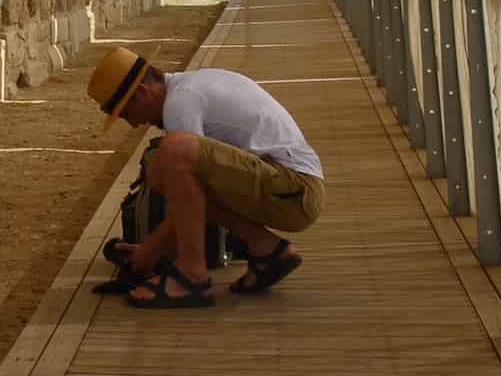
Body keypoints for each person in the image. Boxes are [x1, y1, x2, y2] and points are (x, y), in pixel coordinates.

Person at [84, 46, 325, 310]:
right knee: (159, 165)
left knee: (173, 150)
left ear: (142, 92)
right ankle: (267, 250)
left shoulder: (181, 102)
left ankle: (191, 277)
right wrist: (151, 249)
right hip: (291, 190)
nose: (133, 124)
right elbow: (189, 196)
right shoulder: (190, 86)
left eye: (127, 113)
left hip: (294, 190)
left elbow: (182, 186)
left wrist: (148, 252)